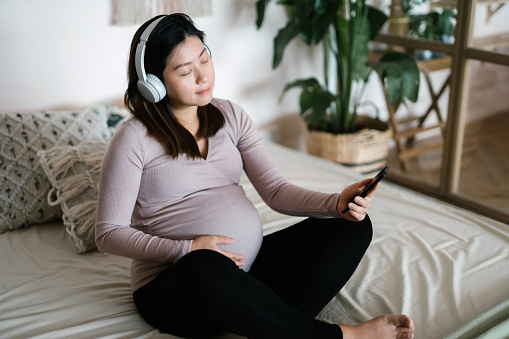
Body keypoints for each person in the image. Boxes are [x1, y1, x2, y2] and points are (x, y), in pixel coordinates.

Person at [95, 13, 414, 339]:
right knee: (205, 265)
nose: (202, 76)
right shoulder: (133, 138)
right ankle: (342, 336)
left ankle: (277, 326)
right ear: (154, 84)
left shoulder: (231, 115)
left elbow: (275, 191)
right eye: (185, 71)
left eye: (204, 59)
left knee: (350, 226)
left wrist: (336, 203)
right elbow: (108, 233)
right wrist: (187, 249)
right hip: (179, 283)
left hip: (245, 273)